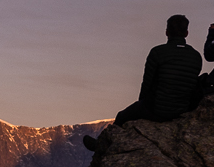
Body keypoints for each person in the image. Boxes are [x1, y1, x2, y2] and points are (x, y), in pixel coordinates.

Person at [85, 14, 202, 150]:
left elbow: (147, 84)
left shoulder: (157, 52)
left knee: (122, 116)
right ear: (186, 33)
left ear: (166, 32)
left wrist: (142, 105)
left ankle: (102, 145)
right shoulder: (196, 56)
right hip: (182, 110)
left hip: (158, 110)